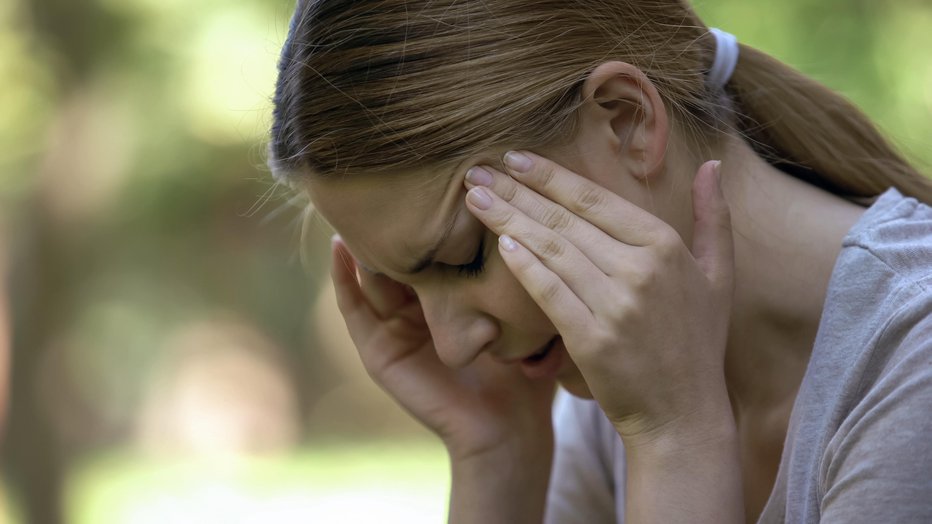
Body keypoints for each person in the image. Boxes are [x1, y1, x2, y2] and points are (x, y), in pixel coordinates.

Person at [268, 1, 932, 522]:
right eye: (406, 287)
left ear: (625, 121)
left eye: (463, 256)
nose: (453, 347)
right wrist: (498, 456)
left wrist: (678, 442)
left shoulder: (913, 363)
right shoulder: (613, 386)